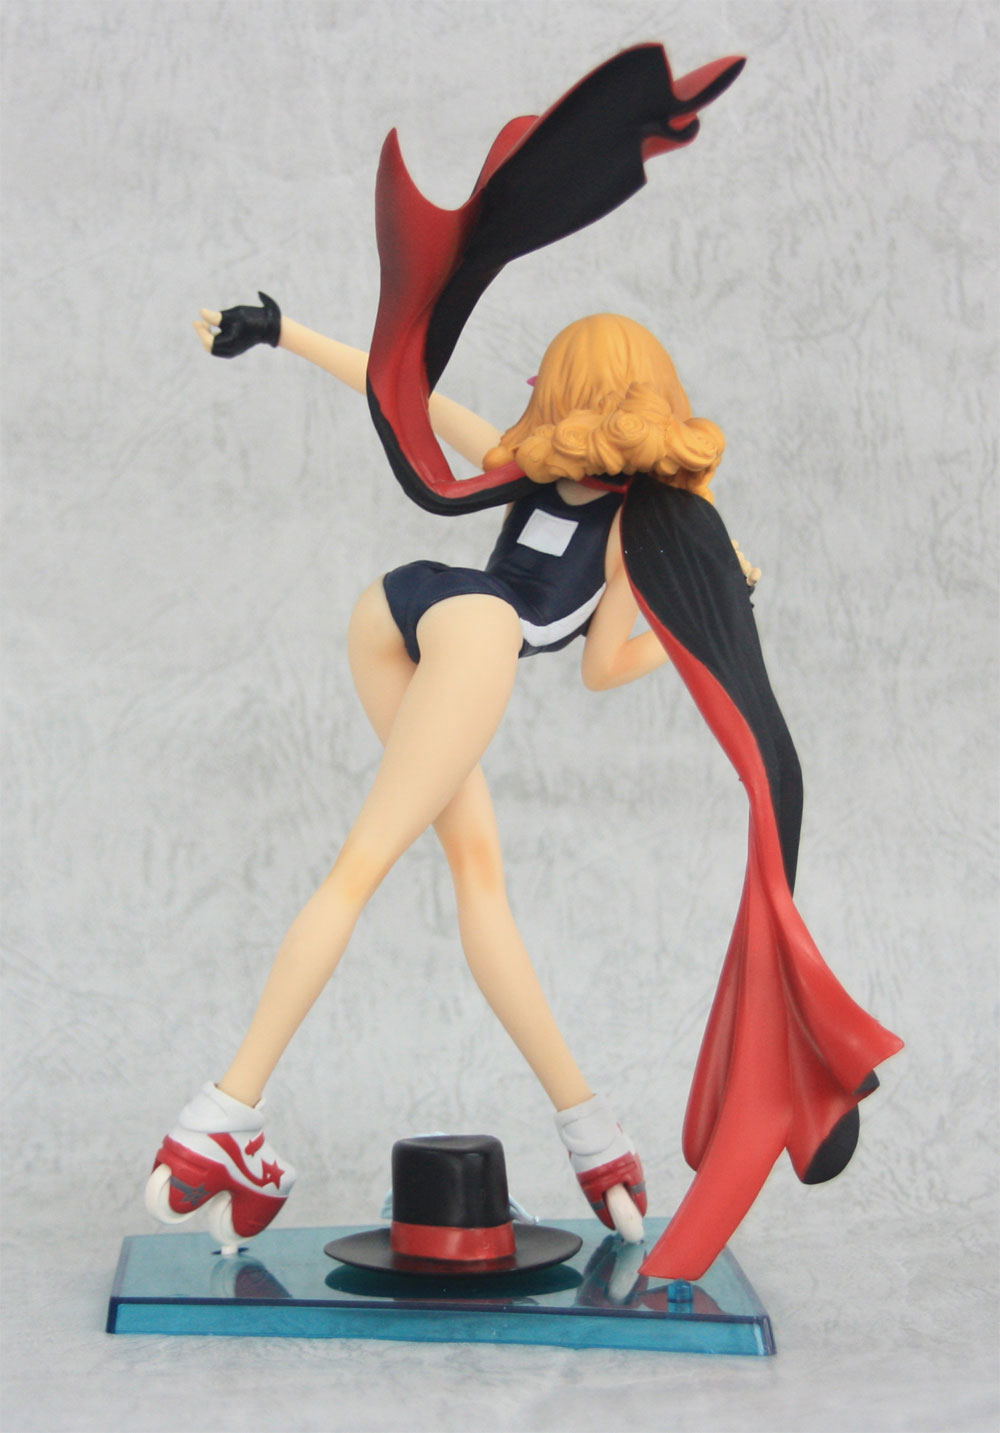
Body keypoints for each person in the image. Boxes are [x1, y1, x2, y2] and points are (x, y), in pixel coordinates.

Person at [146, 306, 753, 1248]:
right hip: (474, 633)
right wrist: (714, 612)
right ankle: (219, 1118)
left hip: (396, 605)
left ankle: (591, 1129)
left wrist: (280, 330)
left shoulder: (525, 460)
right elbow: (602, 668)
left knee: (478, 876)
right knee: (359, 871)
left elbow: (406, 397)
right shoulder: (636, 520)